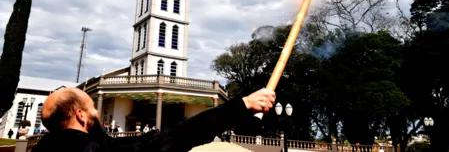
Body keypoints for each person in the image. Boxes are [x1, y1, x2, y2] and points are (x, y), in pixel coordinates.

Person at [31, 87, 275, 152]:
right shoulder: (94, 149)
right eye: (93, 107)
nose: (97, 113)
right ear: (81, 115)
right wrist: (242, 106)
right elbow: (175, 138)